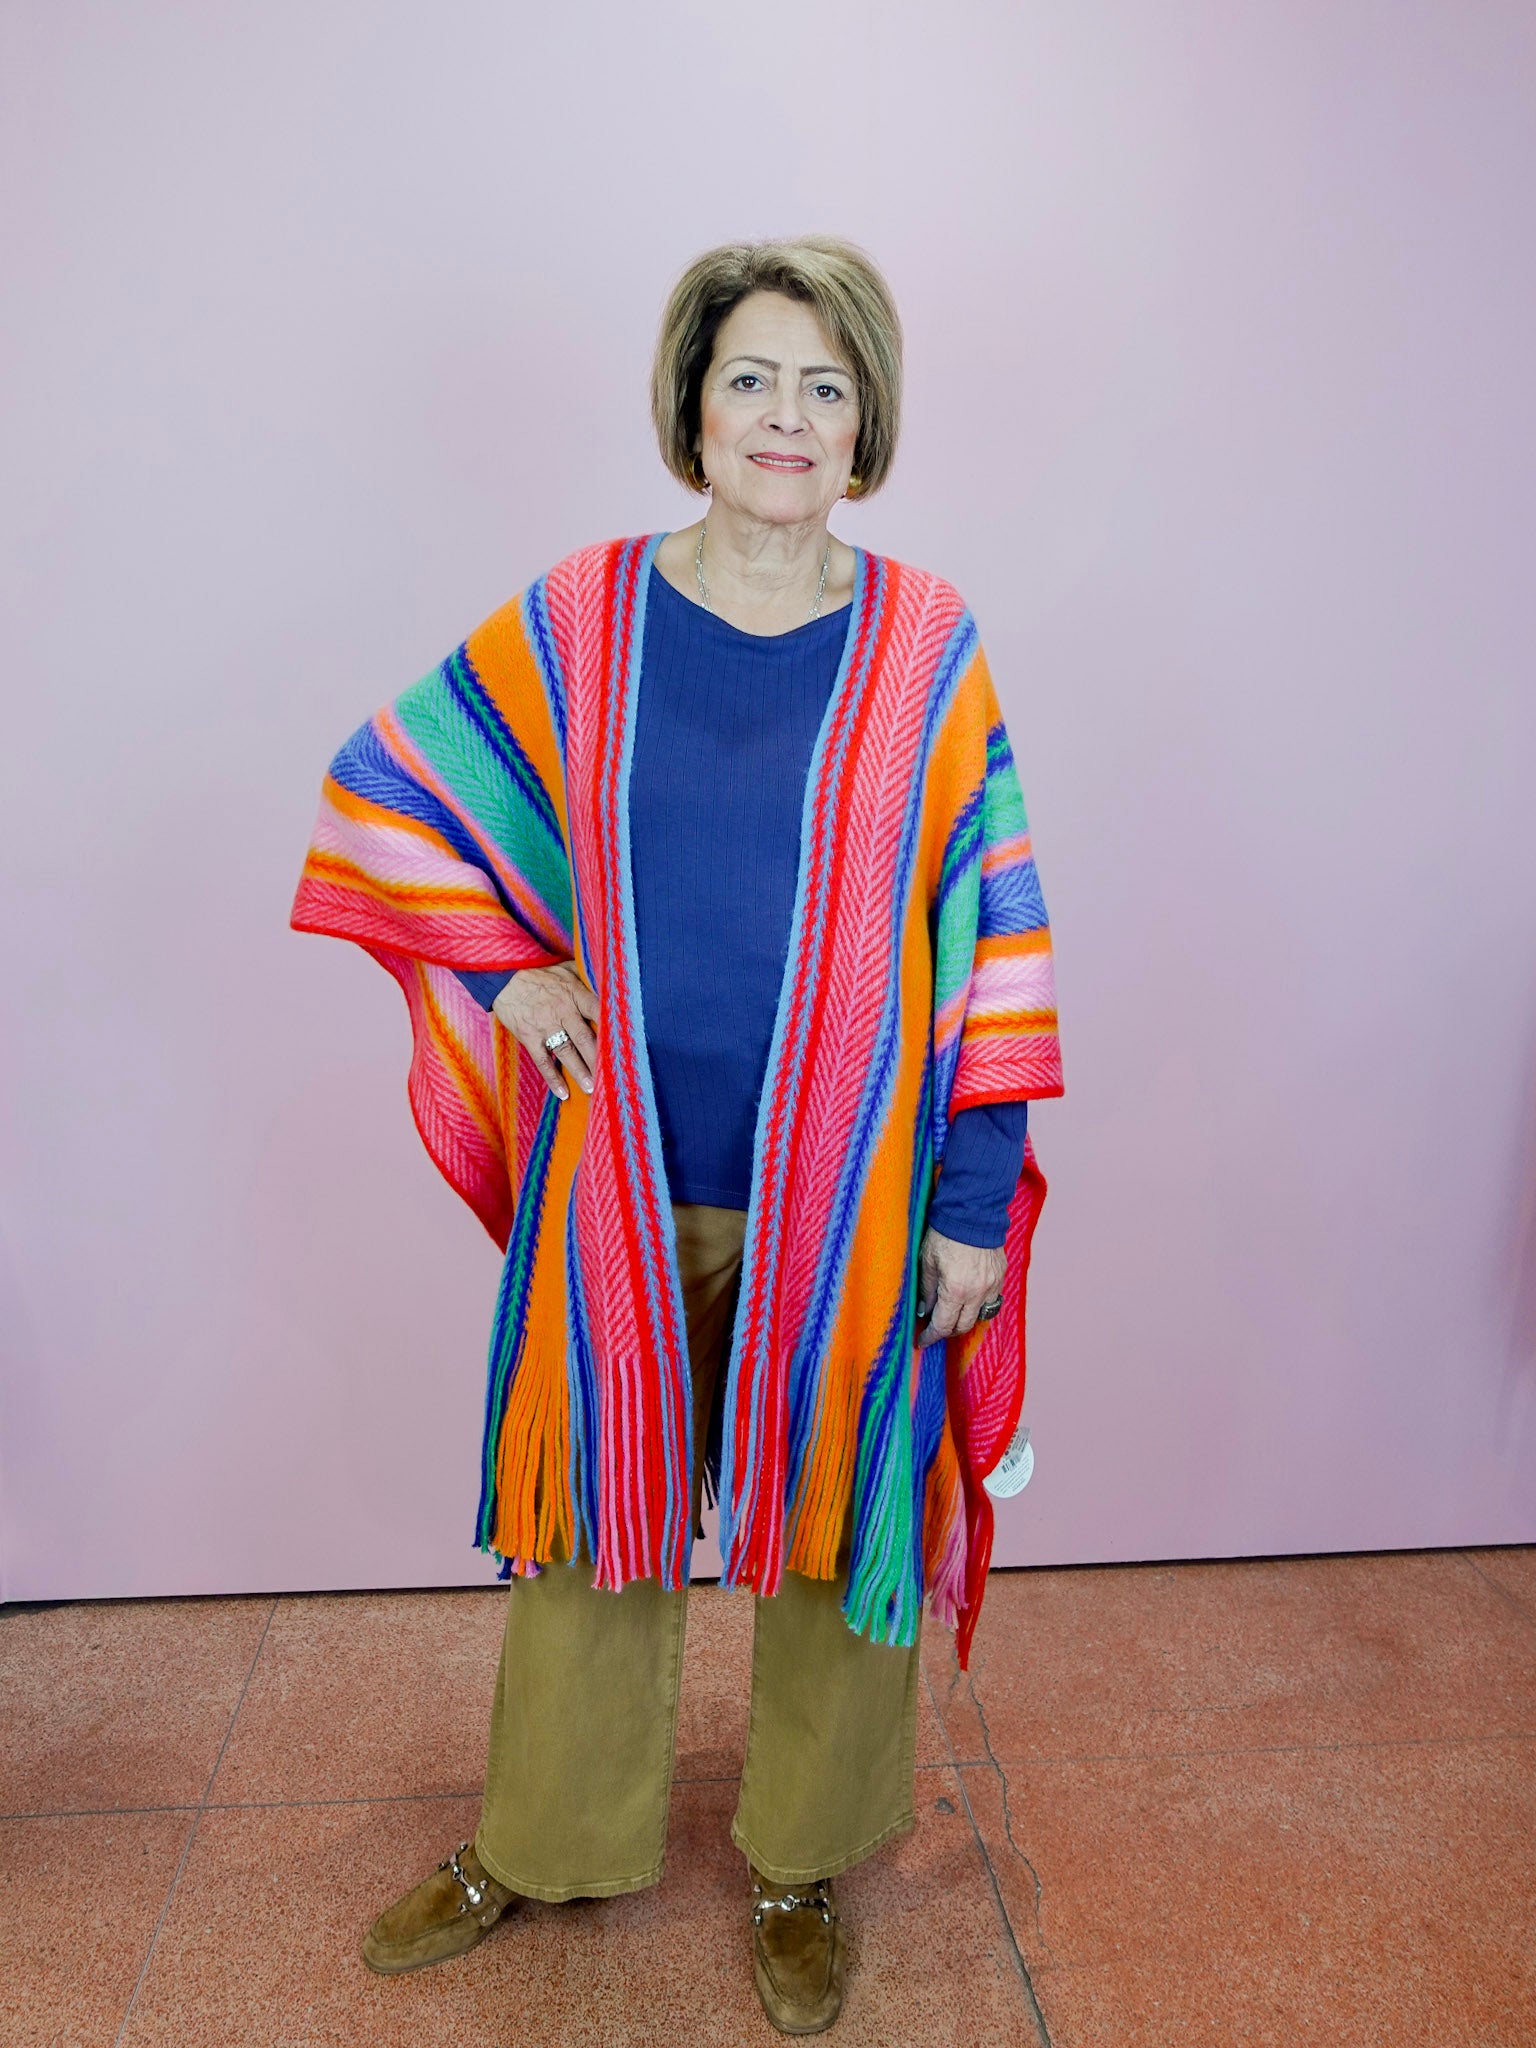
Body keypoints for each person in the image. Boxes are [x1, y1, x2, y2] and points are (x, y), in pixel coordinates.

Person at [291, 234, 1063, 2035]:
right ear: (691, 410)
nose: (784, 417)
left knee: (834, 1515)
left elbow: (998, 929)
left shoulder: (931, 644)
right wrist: (506, 974)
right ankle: (539, 1841)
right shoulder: (585, 613)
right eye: (750, 379)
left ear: (864, 424)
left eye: (823, 385)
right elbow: (395, 782)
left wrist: (968, 1205)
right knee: (592, 1524)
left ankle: (802, 1856)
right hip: (623, 1175)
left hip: (853, 1192)